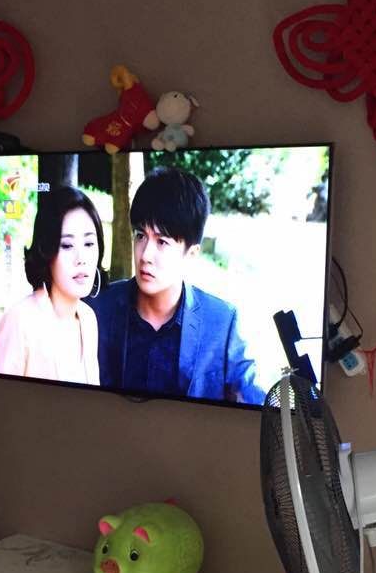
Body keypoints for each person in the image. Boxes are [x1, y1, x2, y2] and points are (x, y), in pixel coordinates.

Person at [91, 167, 265, 404]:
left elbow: (255, 402)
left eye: (162, 242)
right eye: (140, 235)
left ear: (191, 253)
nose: (145, 255)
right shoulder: (99, 308)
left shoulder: (222, 322)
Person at [0, 186, 104, 384]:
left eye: (89, 244)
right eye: (67, 245)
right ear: (46, 250)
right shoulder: (20, 321)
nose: (81, 258)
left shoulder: (88, 319)